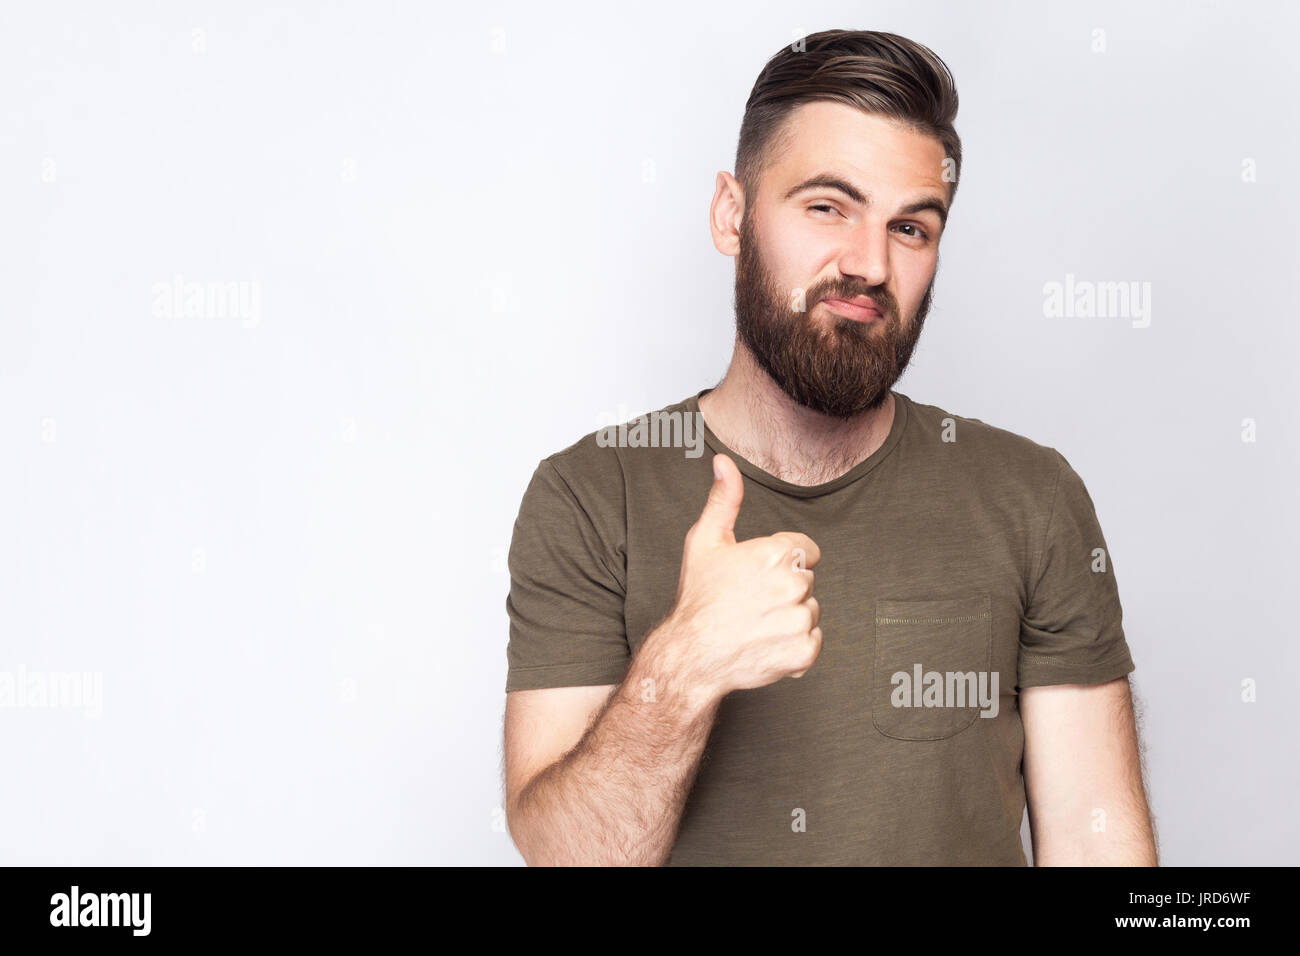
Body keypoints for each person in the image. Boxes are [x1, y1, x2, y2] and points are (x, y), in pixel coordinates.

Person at [501, 29, 1157, 866]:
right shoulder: (590, 496)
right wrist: (686, 664)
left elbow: (1099, 845)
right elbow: (571, 856)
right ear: (731, 216)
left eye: (911, 228)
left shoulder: (1032, 496)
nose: (869, 264)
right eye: (827, 207)